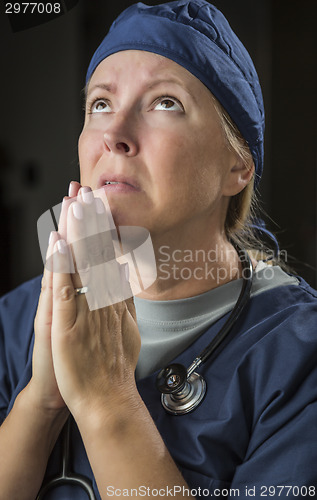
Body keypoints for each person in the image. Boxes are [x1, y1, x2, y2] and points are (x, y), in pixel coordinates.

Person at [0, 1, 317, 498]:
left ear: (238, 166)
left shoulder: (299, 356)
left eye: (165, 103)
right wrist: (40, 401)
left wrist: (110, 403)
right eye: (100, 104)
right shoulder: (18, 321)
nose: (114, 135)